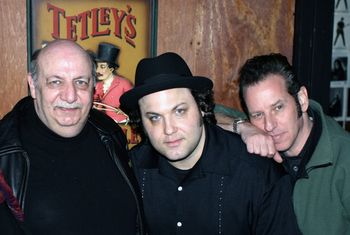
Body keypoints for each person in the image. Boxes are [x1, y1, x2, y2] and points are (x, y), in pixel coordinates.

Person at [119, 52, 301, 234]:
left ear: (201, 107)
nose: (169, 129)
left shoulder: (258, 173)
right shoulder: (128, 171)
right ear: (141, 122)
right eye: (155, 118)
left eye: (179, 111)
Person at [0, 40, 145, 235]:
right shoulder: (5, 153)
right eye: (56, 82)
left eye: (80, 82)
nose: (70, 96)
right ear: (33, 85)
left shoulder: (110, 133)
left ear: (93, 87)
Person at [227, 53, 350, 234]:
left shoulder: (344, 158)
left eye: (278, 107)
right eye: (258, 115)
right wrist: (242, 127)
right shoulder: (253, 129)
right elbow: (206, 115)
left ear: (301, 99)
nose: (269, 125)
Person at [93, 42, 133, 123]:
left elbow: (133, 105)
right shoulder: (97, 86)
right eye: (97, 66)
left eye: (102, 67)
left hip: (121, 125)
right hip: (101, 124)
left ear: (111, 69)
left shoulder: (124, 84)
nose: (97, 71)